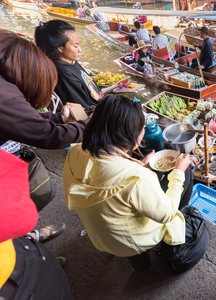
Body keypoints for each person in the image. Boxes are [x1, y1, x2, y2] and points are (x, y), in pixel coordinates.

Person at [63, 95, 204, 271]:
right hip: (134, 240)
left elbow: (107, 178)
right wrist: (178, 171)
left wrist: (138, 165)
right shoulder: (137, 179)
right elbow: (166, 213)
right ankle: (173, 235)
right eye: (141, 127)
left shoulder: (75, 151)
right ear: (131, 136)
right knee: (186, 176)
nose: (143, 130)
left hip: (102, 237)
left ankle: (141, 266)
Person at [0, 150, 73, 300]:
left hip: (13, 247)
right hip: (12, 285)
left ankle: (33, 242)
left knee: (46, 268)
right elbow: (25, 216)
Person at [0, 29, 87, 150]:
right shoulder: (4, 94)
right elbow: (50, 136)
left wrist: (60, 119)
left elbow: (21, 117)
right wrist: (91, 124)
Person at [35, 20, 103, 111]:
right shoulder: (63, 72)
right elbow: (81, 110)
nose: (80, 50)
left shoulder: (70, 60)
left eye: (79, 45)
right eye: (75, 46)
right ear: (60, 48)